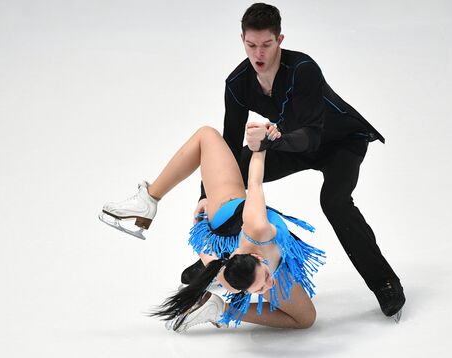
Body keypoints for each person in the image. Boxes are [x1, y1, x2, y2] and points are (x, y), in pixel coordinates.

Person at [182, 3, 405, 321]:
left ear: (280, 40)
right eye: (251, 45)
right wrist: (205, 194)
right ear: (242, 41)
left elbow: (312, 137)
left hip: (340, 141)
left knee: (335, 201)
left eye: (266, 45)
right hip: (291, 142)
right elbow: (227, 147)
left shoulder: (303, 70)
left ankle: (384, 281)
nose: (258, 54)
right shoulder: (238, 83)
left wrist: (271, 141)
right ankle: (222, 260)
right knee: (237, 170)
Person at [99, 126, 325, 332]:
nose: (270, 283)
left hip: (225, 217)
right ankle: (218, 308)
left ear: (255, 257)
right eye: (260, 288)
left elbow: (255, 180)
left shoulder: (254, 231)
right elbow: (207, 250)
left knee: (207, 135)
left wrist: (261, 143)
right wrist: (263, 144)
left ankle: (147, 201)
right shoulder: (244, 272)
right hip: (241, 236)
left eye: (264, 280)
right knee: (306, 318)